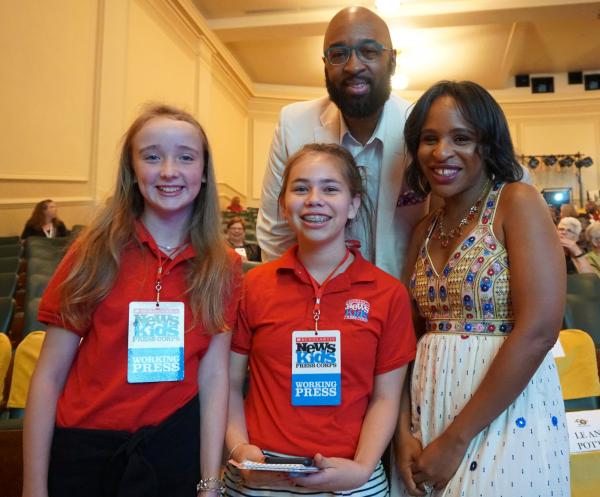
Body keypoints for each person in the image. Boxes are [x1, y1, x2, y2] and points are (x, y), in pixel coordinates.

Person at [22, 104, 241, 497]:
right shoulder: (94, 251)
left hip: (173, 453)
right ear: (132, 169)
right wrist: (33, 487)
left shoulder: (221, 265)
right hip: (85, 451)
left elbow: (214, 377)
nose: (169, 170)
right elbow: (49, 376)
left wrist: (210, 483)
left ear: (204, 172)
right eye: (152, 156)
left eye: (186, 157)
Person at [393, 81, 570, 497]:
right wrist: (402, 433)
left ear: (487, 145)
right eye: (429, 139)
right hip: (429, 408)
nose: (441, 152)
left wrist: (456, 440)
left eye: (462, 138)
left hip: (506, 414)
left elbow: (540, 330)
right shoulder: (424, 228)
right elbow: (404, 338)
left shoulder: (516, 202)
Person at [225, 143, 416, 496]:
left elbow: (386, 398)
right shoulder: (251, 286)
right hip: (261, 474)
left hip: (350, 478)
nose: (314, 199)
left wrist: (360, 470)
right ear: (283, 205)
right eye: (301, 188)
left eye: (330, 188)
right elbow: (229, 383)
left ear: (353, 204)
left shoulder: (388, 294)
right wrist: (239, 449)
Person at [256, 6, 428, 278]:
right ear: (325, 64)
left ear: (392, 62)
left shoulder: (422, 126)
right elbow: (276, 232)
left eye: (369, 52)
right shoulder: (294, 124)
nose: (353, 66)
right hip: (318, 305)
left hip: (403, 301)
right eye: (338, 54)